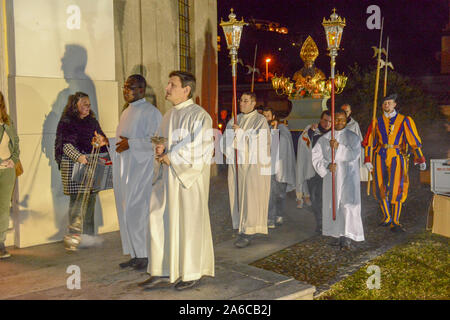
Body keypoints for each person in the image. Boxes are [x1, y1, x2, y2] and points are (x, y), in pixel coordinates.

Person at [139, 71, 214, 291]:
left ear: (186, 89)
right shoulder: (168, 115)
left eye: (172, 84)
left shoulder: (201, 116)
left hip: (187, 183)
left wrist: (171, 156)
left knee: (188, 224)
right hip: (166, 179)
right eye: (168, 84)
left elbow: (200, 147)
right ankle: (162, 268)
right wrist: (159, 148)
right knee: (159, 220)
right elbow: (161, 140)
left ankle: (191, 271)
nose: (167, 88)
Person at [110, 74, 162, 270]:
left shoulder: (152, 112)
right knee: (128, 212)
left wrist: (130, 144)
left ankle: (145, 255)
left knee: (139, 212)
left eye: (129, 88)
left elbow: (158, 140)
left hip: (144, 170)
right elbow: (121, 139)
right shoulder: (126, 112)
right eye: (124, 87)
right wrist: (107, 142)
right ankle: (135, 253)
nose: (125, 91)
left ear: (141, 89)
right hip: (127, 169)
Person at [363, 94, 426, 232]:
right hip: (379, 155)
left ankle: (396, 221)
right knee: (379, 185)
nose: (386, 105)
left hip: (397, 156)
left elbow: (413, 140)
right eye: (384, 103)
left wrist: (420, 158)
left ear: (395, 104)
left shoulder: (404, 120)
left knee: (397, 186)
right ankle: (387, 217)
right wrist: (367, 159)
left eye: (389, 103)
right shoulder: (376, 121)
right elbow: (369, 142)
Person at [55, 92, 109, 251]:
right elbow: (65, 145)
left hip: (92, 164)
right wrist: (80, 157)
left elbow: (102, 138)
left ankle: (89, 237)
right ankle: (75, 238)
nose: (88, 107)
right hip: (75, 166)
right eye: (84, 104)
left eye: (89, 104)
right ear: (75, 105)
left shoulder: (92, 121)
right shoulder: (67, 122)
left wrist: (101, 141)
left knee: (91, 200)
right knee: (77, 203)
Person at [222, 92, 271, 248]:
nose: (241, 103)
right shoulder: (234, 120)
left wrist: (241, 134)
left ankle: (248, 232)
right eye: (240, 100)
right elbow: (224, 142)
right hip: (237, 166)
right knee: (237, 196)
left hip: (252, 166)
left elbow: (260, 142)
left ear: (253, 103)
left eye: (245, 101)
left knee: (250, 198)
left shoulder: (260, 120)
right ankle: (241, 226)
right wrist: (232, 137)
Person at [312, 110, 364, 249]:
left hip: (348, 177)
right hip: (332, 177)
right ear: (332, 120)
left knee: (347, 206)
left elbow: (354, 154)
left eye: (342, 119)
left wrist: (339, 148)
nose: (339, 122)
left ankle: (347, 236)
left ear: (346, 120)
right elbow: (316, 157)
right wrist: (327, 166)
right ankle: (335, 234)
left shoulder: (353, 137)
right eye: (336, 119)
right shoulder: (325, 138)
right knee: (332, 205)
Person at [297, 110, 331, 233]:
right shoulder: (311, 130)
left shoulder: (334, 134)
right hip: (313, 171)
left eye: (330, 121)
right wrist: (311, 132)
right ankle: (320, 222)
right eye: (325, 120)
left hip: (327, 171)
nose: (327, 124)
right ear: (320, 119)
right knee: (315, 198)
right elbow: (303, 143)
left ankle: (328, 222)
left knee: (326, 198)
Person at [262, 107, 296, 228]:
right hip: (268, 166)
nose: (265, 118)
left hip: (281, 166)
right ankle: (270, 218)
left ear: (273, 116)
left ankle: (279, 214)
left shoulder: (282, 129)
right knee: (270, 193)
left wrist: (275, 130)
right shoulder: (262, 129)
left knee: (280, 193)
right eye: (264, 115)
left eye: (267, 115)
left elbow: (282, 145)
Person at [0, 92, 19, 259]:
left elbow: (16, 142)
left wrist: (14, 159)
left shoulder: (7, 121)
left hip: (7, 170)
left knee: (4, 207)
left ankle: (0, 243)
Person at [341, 103, 368, 181]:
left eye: (347, 111)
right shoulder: (336, 122)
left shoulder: (354, 124)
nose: (345, 113)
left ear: (350, 112)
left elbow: (359, 140)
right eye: (343, 111)